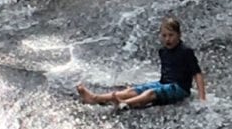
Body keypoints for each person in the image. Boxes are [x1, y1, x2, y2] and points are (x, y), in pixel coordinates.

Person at [76, 16, 206, 109]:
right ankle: (94, 98)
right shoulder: (163, 51)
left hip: (180, 88)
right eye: (164, 35)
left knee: (150, 93)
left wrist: (202, 98)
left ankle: (125, 103)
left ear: (179, 35)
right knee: (134, 89)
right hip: (163, 83)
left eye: (171, 35)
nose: (168, 39)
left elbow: (197, 74)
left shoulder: (186, 51)